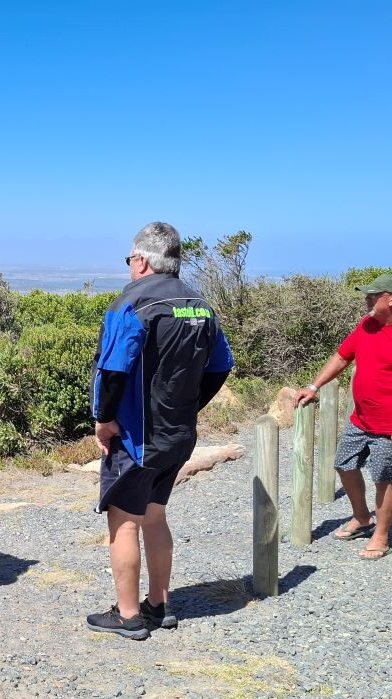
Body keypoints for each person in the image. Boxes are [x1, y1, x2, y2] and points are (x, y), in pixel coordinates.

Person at [86, 222, 233, 640]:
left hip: (137, 436)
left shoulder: (131, 303)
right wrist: (187, 407)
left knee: (124, 522)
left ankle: (128, 615)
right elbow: (220, 366)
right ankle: (159, 604)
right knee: (154, 516)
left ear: (144, 260)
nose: (130, 267)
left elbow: (113, 369)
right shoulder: (200, 304)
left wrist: (104, 418)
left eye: (131, 259)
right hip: (178, 434)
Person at [294, 274, 392, 559]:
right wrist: (314, 386)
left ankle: (382, 536)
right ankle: (362, 517)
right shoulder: (367, 325)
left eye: (373, 295)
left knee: (383, 477)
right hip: (361, 418)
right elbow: (341, 357)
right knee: (343, 464)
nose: (367, 300)